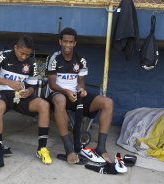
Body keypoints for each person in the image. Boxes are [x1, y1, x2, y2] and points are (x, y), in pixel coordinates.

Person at [46, 27, 114, 164]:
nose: (67, 45)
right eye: (65, 41)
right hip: (58, 94)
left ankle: (101, 148)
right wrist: (66, 92)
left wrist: (82, 90)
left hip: (75, 96)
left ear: (75, 43)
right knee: (60, 100)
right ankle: (69, 149)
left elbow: (81, 83)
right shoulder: (54, 58)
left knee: (108, 103)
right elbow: (52, 84)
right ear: (60, 42)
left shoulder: (81, 60)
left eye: (71, 42)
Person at [0, 35, 52, 167]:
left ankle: (42, 148)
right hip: (2, 92)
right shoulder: (4, 55)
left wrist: (29, 91)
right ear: (15, 47)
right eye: (22, 53)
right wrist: (8, 82)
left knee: (44, 105)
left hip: (21, 96)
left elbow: (33, 85)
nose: (24, 57)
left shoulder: (32, 62)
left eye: (28, 54)